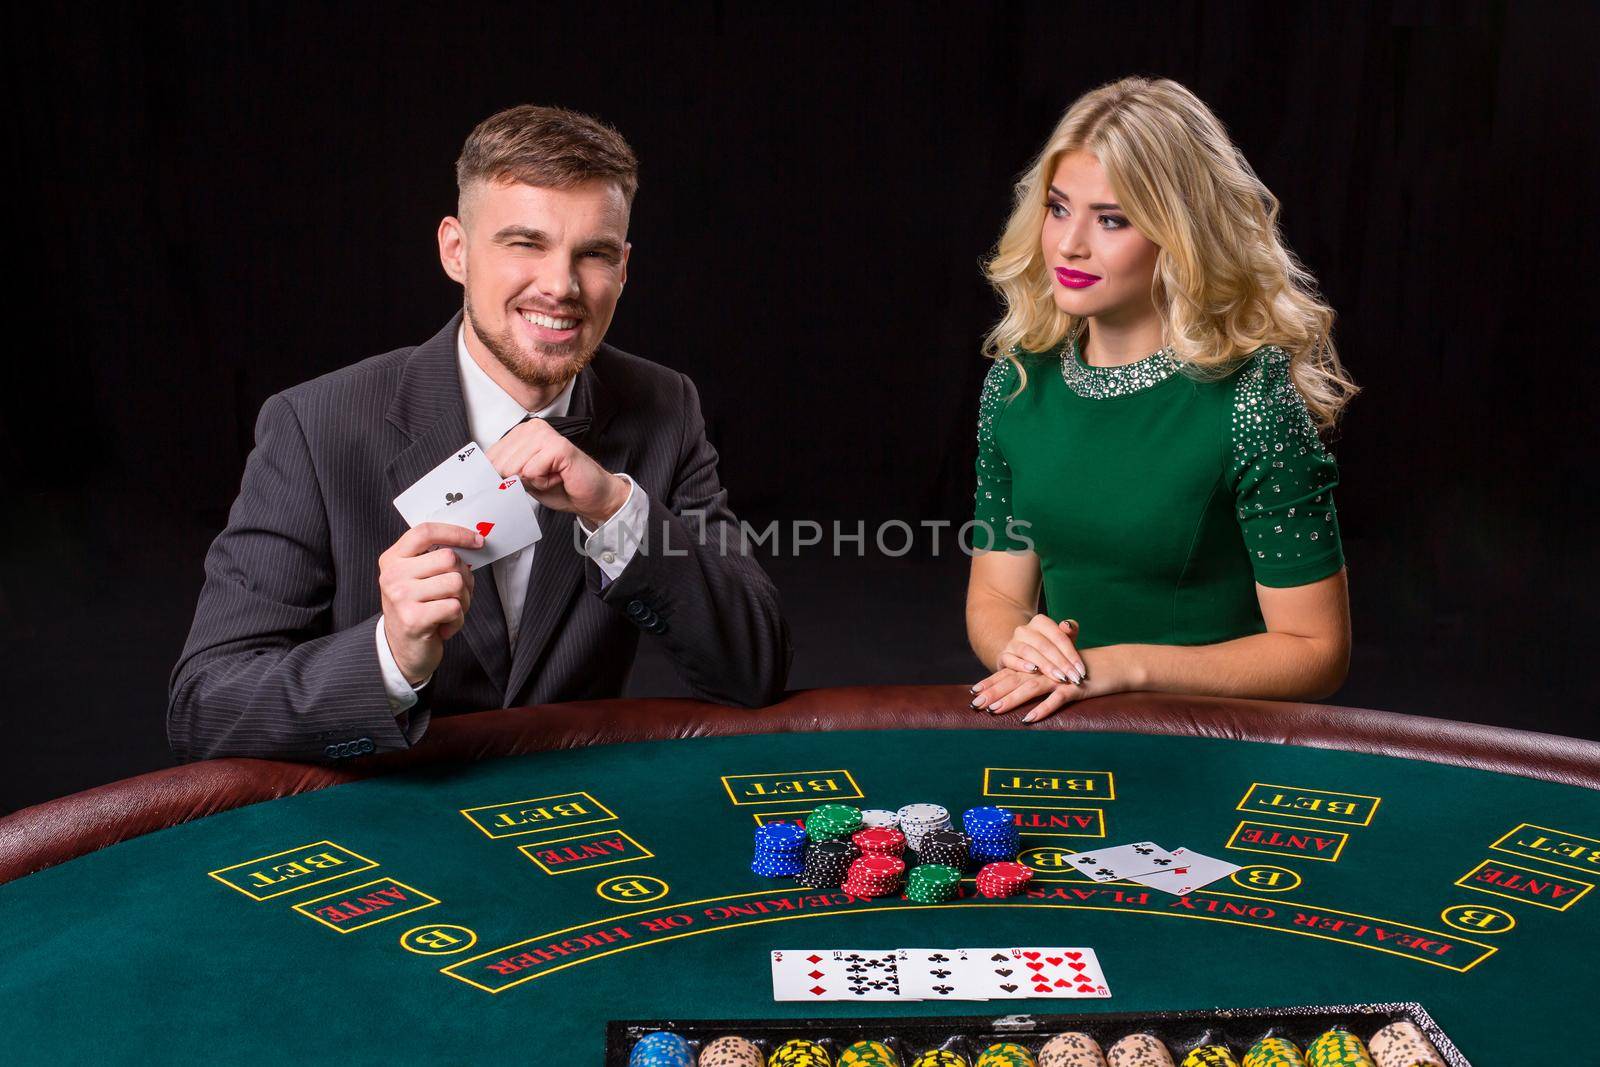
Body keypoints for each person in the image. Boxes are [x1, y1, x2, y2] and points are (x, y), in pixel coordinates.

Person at [169, 105, 791, 761]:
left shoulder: (665, 407)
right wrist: (392, 657)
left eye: (595, 253)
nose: (561, 285)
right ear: (456, 251)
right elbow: (204, 710)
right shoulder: (316, 425)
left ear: (625, 267)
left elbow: (752, 668)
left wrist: (615, 509)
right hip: (375, 822)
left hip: (573, 820)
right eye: (525, 243)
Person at [966, 77, 1358, 723]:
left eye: (1111, 219)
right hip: (1062, 732)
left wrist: (1121, 667)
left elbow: (1318, 651)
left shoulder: (1252, 401)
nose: (1070, 244)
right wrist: (1018, 642)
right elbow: (994, 597)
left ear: (1179, 234)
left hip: (1209, 747)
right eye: (1059, 208)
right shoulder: (1015, 385)